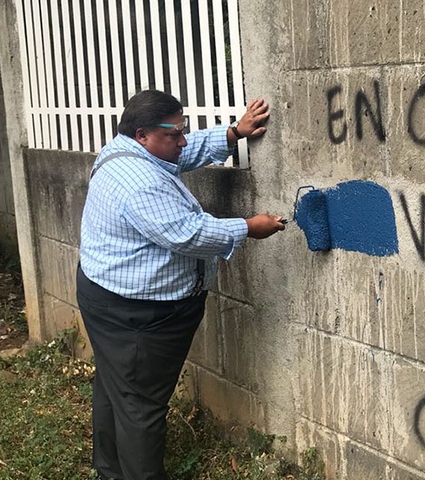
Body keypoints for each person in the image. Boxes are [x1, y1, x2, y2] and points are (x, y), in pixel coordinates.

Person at [76, 89, 286, 480]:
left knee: (117, 390)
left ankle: (110, 471)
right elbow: (188, 234)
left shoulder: (124, 150)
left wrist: (232, 134)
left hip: (104, 294)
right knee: (140, 407)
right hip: (139, 315)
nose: (183, 140)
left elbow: (176, 157)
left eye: (182, 130)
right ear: (143, 134)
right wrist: (248, 228)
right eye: (174, 133)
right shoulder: (140, 182)